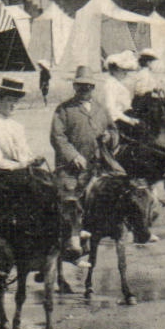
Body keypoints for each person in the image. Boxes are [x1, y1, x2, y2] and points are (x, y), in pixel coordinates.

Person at [51, 65, 123, 254]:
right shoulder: (64, 110)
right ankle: (72, 241)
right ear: (75, 87)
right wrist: (73, 155)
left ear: (93, 88)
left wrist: (110, 137)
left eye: (88, 86)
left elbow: (114, 130)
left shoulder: (100, 109)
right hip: (70, 168)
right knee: (70, 198)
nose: (85, 90)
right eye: (81, 86)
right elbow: (57, 137)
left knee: (120, 186)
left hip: (98, 164)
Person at [0, 76, 46, 207]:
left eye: (16, 101)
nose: (14, 105)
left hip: (21, 174)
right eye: (9, 100)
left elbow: (24, 154)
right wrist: (20, 165)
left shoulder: (16, 126)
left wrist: (33, 160)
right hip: (0, 177)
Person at [95, 51, 137, 130]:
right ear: (114, 70)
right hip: (115, 120)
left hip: (122, 116)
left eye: (126, 70)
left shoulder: (116, 83)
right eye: (123, 70)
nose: (126, 73)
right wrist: (129, 120)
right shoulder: (110, 85)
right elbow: (110, 109)